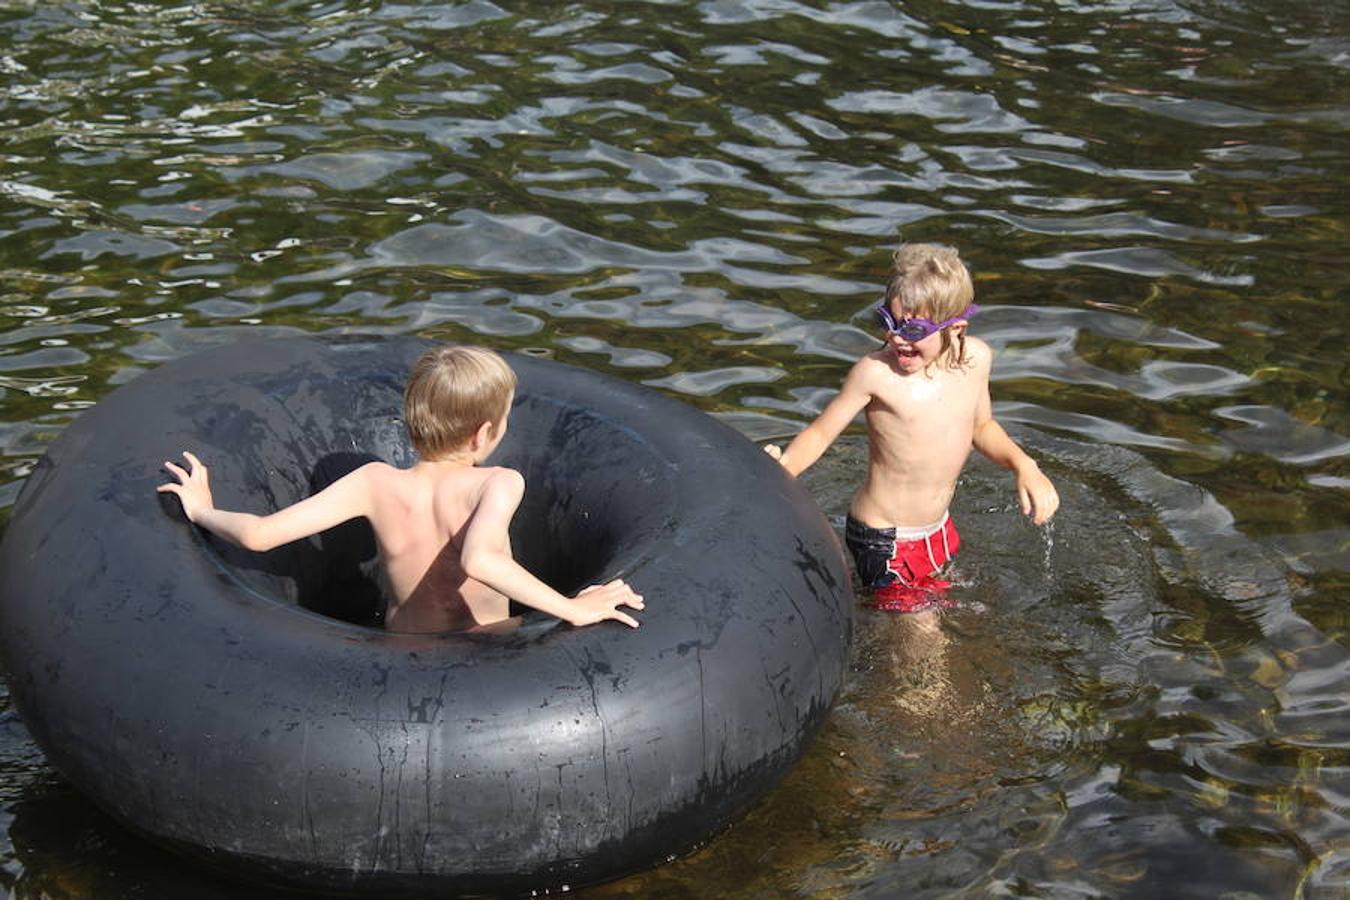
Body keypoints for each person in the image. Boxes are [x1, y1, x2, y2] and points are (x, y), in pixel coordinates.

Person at [158, 345, 644, 634]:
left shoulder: (373, 483)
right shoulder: (496, 483)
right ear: (484, 434)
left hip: (400, 656)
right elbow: (480, 562)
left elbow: (260, 535)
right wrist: (572, 608)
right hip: (490, 653)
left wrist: (202, 511)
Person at [766, 243, 1059, 612]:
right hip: (883, 537)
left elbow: (982, 426)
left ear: (956, 328)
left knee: (943, 614)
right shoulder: (876, 374)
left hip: (938, 529)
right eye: (888, 322)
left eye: (914, 328)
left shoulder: (976, 360)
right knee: (924, 643)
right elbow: (822, 432)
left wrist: (1024, 465)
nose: (898, 338)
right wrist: (780, 472)